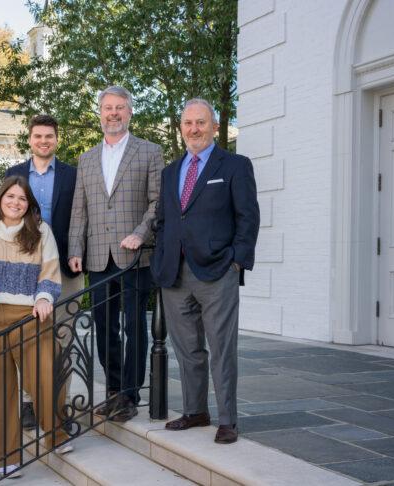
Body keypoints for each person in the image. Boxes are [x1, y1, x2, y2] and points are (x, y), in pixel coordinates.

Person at [151, 98, 260, 444]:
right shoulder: (171, 172)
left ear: (214, 127)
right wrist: (160, 260)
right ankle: (196, 411)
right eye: (188, 123)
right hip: (175, 274)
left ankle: (227, 419)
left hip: (218, 271)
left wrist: (237, 261)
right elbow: (165, 220)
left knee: (221, 348)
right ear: (180, 128)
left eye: (201, 122)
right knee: (187, 350)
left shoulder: (235, 165)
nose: (194, 129)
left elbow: (248, 217)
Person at [0, 176, 71, 478]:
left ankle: (56, 433)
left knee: (46, 370)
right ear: (1, 198)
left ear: (29, 203)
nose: (16, 203)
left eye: (22, 198)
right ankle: (3, 456)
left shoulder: (41, 231)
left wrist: (45, 297)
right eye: (11, 196)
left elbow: (50, 270)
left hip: (28, 313)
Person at [68, 86, 163, 422]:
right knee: (104, 325)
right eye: (107, 108)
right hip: (97, 256)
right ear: (100, 113)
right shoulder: (87, 158)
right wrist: (75, 248)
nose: (113, 113)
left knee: (135, 325)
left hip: (134, 256)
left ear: (130, 112)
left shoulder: (149, 152)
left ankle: (130, 395)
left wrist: (141, 232)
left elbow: (158, 201)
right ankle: (112, 390)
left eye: (120, 108)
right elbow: (80, 208)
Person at [5, 114, 81, 430]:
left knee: (63, 338)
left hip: (65, 268)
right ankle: (28, 404)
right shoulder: (14, 174)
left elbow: (82, 218)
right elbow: (4, 218)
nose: (43, 141)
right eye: (38, 136)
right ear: (30, 140)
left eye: (49, 136)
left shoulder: (73, 175)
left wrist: (77, 251)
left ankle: (58, 405)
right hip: (25, 269)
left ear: (56, 139)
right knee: (26, 339)